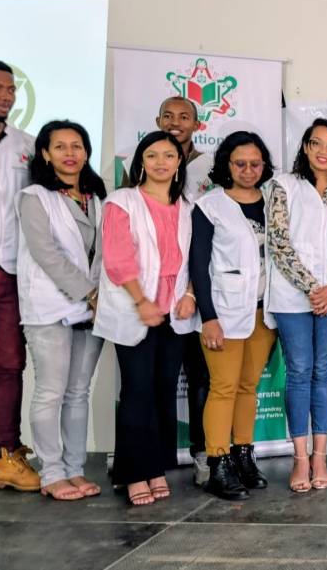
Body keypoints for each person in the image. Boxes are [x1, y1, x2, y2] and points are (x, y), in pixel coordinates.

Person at [93, 131, 200, 506]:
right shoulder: (122, 202)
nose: (160, 162)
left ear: (179, 162)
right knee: (137, 392)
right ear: (141, 161)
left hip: (175, 313)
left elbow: (195, 260)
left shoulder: (187, 206)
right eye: (152, 155)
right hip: (135, 309)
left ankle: (155, 468)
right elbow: (117, 260)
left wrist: (189, 295)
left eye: (168, 155)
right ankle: (133, 474)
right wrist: (141, 301)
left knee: (163, 391)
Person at [267, 118, 327, 493]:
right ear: (305, 147)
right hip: (293, 298)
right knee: (299, 371)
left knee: (322, 372)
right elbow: (279, 243)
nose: (324, 151)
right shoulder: (284, 186)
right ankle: (300, 458)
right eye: (316, 143)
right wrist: (313, 288)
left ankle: (320, 456)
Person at [122, 96, 215, 482]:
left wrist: (193, 292)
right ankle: (147, 465)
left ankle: (202, 452)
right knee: (146, 385)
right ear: (158, 120)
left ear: (197, 124)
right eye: (169, 116)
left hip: (195, 288)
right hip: (151, 298)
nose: (176, 122)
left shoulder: (211, 165)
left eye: (184, 116)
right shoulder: (135, 174)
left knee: (201, 376)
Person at [17, 120, 107, 500]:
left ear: (86, 152)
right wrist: (90, 293)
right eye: (60, 146)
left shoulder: (97, 196)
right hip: (51, 307)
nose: (70, 153)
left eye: (77, 146)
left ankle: (74, 469)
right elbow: (47, 254)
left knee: (78, 392)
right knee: (51, 392)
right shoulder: (34, 197)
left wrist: (98, 298)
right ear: (45, 153)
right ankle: (51, 473)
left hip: (92, 309)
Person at [189, 131, 278, 501]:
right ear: (227, 164)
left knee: (248, 387)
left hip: (264, 312)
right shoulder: (210, 206)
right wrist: (208, 317)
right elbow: (198, 265)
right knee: (223, 387)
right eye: (240, 163)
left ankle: (243, 454)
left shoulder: (274, 201)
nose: (248, 170)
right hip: (223, 313)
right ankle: (218, 462)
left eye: (255, 164)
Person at [0, 58, 40, 491]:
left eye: (11, 89)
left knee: (9, 364)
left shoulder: (27, 145)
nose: (7, 96)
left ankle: (6, 455)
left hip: (12, 269)